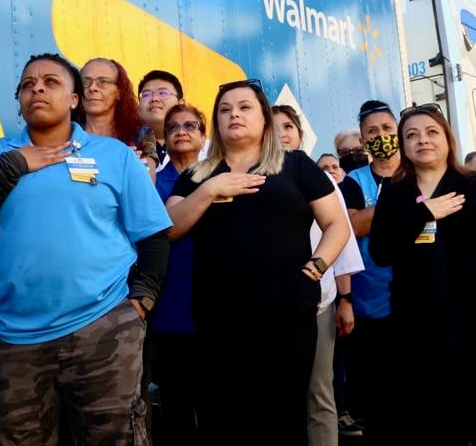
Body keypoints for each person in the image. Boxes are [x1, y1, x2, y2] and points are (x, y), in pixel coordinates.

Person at [0, 53, 171, 446]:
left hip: (104, 329)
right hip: (12, 339)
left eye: (50, 82)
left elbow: (154, 236)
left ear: (75, 99)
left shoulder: (113, 156)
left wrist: (141, 300)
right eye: (27, 84)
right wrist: (11, 168)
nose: (37, 88)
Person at [167, 79, 349, 445]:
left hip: (286, 311)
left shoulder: (295, 165)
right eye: (225, 109)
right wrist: (210, 190)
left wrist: (314, 270)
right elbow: (170, 228)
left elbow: (337, 225)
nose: (234, 113)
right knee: (223, 418)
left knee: (284, 418)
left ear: (264, 119)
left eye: (245, 107)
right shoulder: (197, 176)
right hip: (219, 316)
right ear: (217, 124)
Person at [369, 104, 476, 445]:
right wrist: (424, 213)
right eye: (411, 135)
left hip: (468, 321)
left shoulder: (469, 185)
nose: (422, 140)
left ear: (447, 138)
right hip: (415, 325)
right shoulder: (396, 192)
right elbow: (381, 251)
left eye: (431, 132)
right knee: (426, 421)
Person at [272, 105, 363, 446]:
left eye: (288, 126)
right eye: (274, 127)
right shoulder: (256, 178)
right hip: (271, 308)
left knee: (319, 394)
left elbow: (342, 242)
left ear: (300, 133)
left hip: (319, 303)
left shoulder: (320, 177)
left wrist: (344, 299)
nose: (282, 133)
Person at [339, 99, 400, 444]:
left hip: (418, 296)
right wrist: (405, 205)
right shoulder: (354, 182)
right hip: (370, 300)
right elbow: (353, 227)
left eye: (387, 129)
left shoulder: (416, 172)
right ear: (363, 141)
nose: (382, 137)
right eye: (372, 132)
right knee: (377, 397)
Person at [150, 104, 206, 443]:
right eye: (172, 127)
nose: (181, 131)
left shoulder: (223, 176)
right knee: (176, 407)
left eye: (190, 125)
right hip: (171, 311)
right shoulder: (153, 182)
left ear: (203, 135)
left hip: (220, 311)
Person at [79, 58, 158, 180]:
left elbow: (146, 186)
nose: (92, 88)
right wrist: (120, 160)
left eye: (103, 81)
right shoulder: (67, 133)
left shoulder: (140, 134)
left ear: (119, 92)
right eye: (85, 81)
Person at [136, 70, 188, 171]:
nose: (154, 99)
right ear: (138, 108)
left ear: (181, 105)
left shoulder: (206, 149)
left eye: (163, 93)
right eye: (146, 95)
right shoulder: (125, 148)